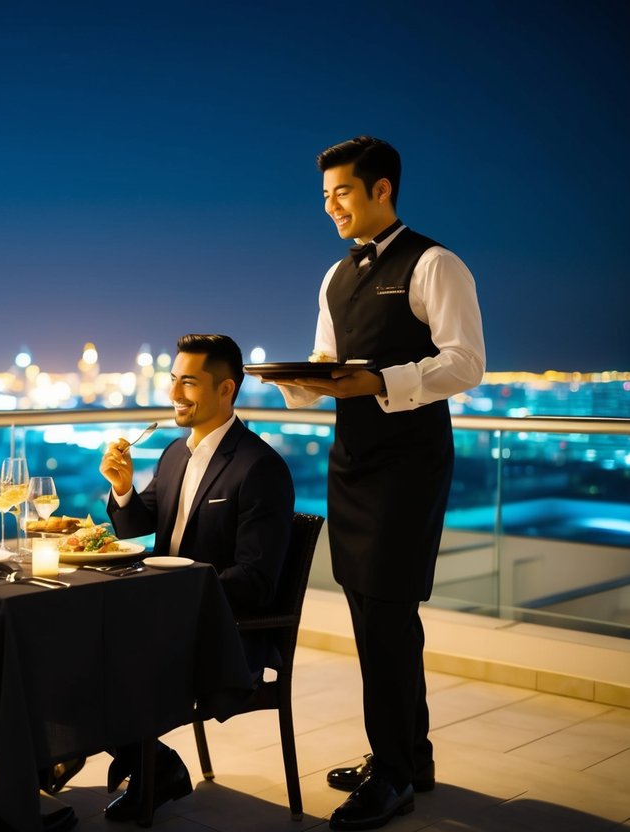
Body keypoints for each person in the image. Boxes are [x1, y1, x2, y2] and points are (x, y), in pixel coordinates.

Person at [265, 136, 485, 830]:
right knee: (368, 611)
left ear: (381, 189)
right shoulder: (335, 276)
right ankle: (404, 756)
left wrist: (380, 381)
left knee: (388, 615)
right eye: (324, 194)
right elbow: (332, 361)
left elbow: (465, 364)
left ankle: (392, 773)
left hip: (409, 463)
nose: (329, 205)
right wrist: (299, 383)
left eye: (341, 192)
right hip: (351, 460)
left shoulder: (435, 263)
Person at [96, 332, 295, 822]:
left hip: (224, 631)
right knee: (69, 635)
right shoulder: (174, 453)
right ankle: (150, 762)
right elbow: (140, 522)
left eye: (189, 382)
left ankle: (136, 761)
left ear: (226, 390)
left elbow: (255, 582)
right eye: (173, 380)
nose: (174, 394)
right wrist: (122, 489)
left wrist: (173, 592)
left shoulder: (260, 468)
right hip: (167, 615)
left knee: (96, 651)